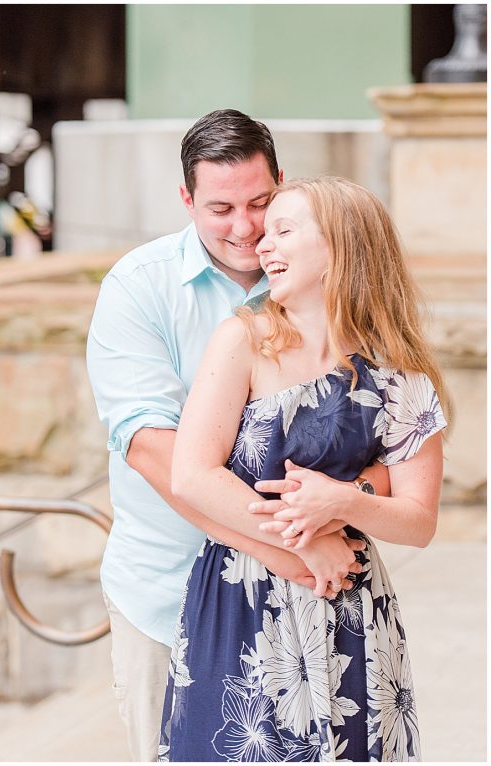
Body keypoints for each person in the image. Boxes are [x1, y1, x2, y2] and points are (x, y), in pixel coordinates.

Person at [86, 110, 378, 761]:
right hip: (171, 593)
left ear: (284, 182)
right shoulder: (139, 289)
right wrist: (294, 547)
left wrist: (347, 505)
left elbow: (386, 430)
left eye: (260, 202)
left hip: (315, 600)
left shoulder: (330, 287)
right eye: (220, 208)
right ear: (186, 199)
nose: (245, 228)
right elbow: (154, 453)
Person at [160, 177, 448, 761]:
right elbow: (191, 474)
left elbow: (418, 522)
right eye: (266, 234)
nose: (263, 246)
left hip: (349, 603)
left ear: (343, 245)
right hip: (242, 596)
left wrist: (342, 503)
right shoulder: (242, 339)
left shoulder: (399, 372)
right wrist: (301, 545)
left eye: (283, 231)